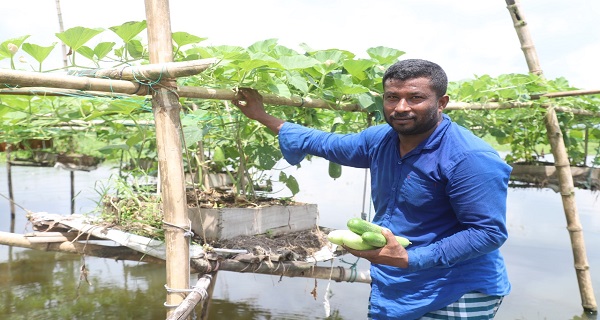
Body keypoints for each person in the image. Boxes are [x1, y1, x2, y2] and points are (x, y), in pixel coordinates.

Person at [232, 59, 511, 319]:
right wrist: (264, 117)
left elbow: (487, 232)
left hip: (454, 289)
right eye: (392, 97)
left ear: (442, 103)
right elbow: (327, 143)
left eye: (415, 97)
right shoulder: (381, 140)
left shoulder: (470, 158)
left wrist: (411, 258)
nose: (401, 107)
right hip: (395, 281)